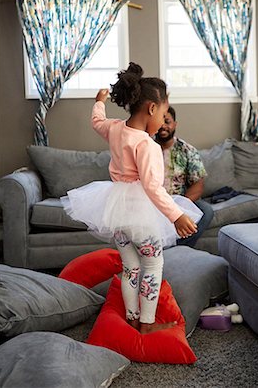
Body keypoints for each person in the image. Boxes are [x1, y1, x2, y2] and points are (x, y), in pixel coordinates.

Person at [61, 62, 203, 335]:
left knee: (131, 266)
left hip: (116, 211)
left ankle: (132, 318)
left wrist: (99, 102)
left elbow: (97, 122)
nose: (163, 121)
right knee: (152, 263)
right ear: (151, 108)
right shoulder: (146, 144)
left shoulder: (115, 128)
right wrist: (176, 215)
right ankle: (147, 324)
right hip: (138, 212)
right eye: (163, 114)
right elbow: (153, 188)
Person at [155, 106, 214, 248]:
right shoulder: (145, 146)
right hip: (152, 200)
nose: (163, 126)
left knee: (206, 211)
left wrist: (179, 206)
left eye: (167, 122)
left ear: (175, 124)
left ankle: (179, 246)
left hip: (179, 200)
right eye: (159, 121)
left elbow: (198, 185)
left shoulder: (187, 150)